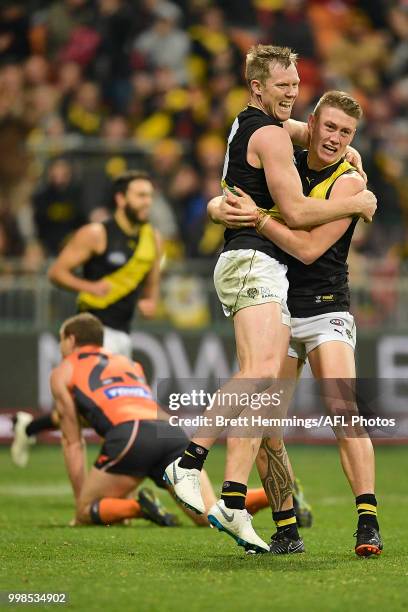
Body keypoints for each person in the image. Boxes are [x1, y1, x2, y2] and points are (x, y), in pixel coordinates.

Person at [164, 44, 377, 554]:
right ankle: (200, 469)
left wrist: (347, 163)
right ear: (258, 87)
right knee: (260, 391)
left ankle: (240, 502)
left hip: (319, 302)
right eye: (283, 85)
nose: (291, 92)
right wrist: (355, 203)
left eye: (295, 85)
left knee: (321, 409)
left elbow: (302, 139)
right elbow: (299, 224)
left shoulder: (323, 157)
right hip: (262, 269)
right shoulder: (283, 143)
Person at [210, 90, 382, 557]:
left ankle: (367, 520)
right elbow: (258, 132)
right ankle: (287, 527)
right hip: (281, 306)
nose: (334, 138)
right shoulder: (285, 152)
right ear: (313, 124)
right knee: (265, 422)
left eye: (346, 133)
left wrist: (258, 220)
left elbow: (307, 249)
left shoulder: (350, 185)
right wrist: (216, 205)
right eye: (328, 128)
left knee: (343, 410)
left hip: (326, 308)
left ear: (352, 139)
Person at [11, 169, 161, 467]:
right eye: (141, 195)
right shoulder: (96, 233)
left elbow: (152, 282)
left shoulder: (152, 238)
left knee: (87, 411)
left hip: (122, 332)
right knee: (112, 410)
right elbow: (57, 272)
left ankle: (29, 427)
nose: (147, 202)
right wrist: (89, 286)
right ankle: (112, 481)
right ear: (121, 199)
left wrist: (151, 300)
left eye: (150, 196)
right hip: (92, 330)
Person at [49, 312, 216, 527]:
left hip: (132, 434)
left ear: (71, 339)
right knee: (210, 515)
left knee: (85, 510)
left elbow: (72, 442)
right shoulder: (128, 363)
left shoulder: (63, 371)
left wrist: (82, 501)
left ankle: (138, 508)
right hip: (170, 431)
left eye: (61, 339)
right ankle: (269, 496)